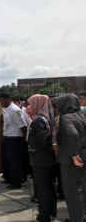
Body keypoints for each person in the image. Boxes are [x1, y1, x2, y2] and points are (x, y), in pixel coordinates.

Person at [54, 94, 86, 222]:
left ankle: (76, 219)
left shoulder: (66, 118)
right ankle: (79, 217)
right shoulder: (82, 115)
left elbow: (73, 134)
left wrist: (73, 153)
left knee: (72, 192)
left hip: (71, 160)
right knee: (81, 190)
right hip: (83, 155)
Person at [28, 94, 57, 222]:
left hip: (40, 159)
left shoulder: (39, 120)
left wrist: (52, 146)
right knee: (49, 187)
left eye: (32, 103)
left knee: (43, 189)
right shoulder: (46, 118)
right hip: (47, 158)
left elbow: (43, 140)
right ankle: (50, 213)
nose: (29, 106)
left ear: (38, 104)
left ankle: (43, 217)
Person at [0, 93, 27, 189]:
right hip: (7, 137)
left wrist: (22, 139)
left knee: (14, 162)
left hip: (15, 139)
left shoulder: (15, 110)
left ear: (7, 99)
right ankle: (8, 178)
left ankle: (16, 182)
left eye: (2, 101)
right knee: (6, 160)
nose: (1, 103)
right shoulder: (6, 109)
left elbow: (23, 126)